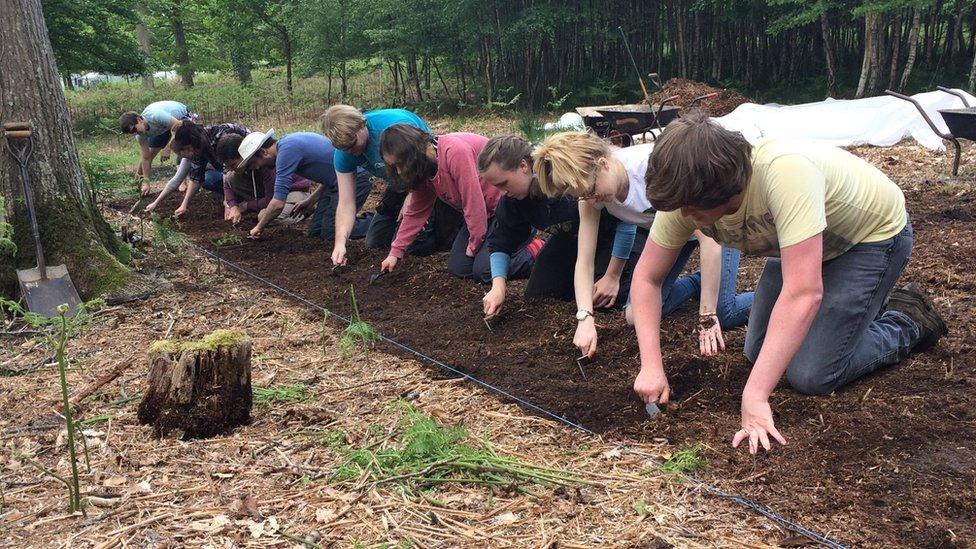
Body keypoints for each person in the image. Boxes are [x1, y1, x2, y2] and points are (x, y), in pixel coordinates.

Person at [633, 112, 947, 454]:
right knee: (757, 352)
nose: (682, 217)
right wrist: (650, 365)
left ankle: (907, 319)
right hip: (801, 248)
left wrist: (754, 396)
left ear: (721, 189)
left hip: (868, 238)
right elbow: (647, 278)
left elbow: (803, 292)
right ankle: (856, 307)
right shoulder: (686, 199)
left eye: (689, 208)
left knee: (811, 374)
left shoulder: (783, 174)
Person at [534, 131, 753, 360]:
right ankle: (699, 282)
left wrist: (707, 314)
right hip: (672, 236)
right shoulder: (592, 198)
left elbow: (708, 239)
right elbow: (584, 262)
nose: (590, 199)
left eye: (590, 191)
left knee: (725, 312)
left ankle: (776, 298)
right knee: (635, 315)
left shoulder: (651, 169)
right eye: (581, 196)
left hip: (716, 224)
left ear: (603, 164)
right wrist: (585, 317)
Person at [478, 134, 627, 319]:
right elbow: (501, 241)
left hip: (613, 237)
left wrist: (613, 275)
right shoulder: (513, 199)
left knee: (606, 299)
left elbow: (626, 219)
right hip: (569, 239)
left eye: (503, 183)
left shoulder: (565, 180)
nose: (502, 192)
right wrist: (498, 287)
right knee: (539, 297)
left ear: (523, 166)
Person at [377, 125, 534, 279]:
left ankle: (535, 249)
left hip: (507, 207)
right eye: (393, 166)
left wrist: (474, 244)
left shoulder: (454, 152)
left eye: (400, 164)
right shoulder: (424, 169)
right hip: (483, 215)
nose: (399, 171)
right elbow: (416, 211)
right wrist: (395, 252)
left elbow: (473, 202)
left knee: (484, 270)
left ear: (412, 154)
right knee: (460, 268)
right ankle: (499, 253)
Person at [322, 105, 457, 265]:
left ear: (361, 125)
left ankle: (451, 221)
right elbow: (346, 202)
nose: (350, 151)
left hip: (427, 178)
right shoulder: (344, 153)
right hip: (398, 181)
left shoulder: (394, 129)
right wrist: (340, 243)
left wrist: (411, 198)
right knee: (374, 243)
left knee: (416, 246)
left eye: (352, 144)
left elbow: (423, 166)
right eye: (344, 148)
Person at [230, 129, 372, 241]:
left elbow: (278, 203)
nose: (256, 168)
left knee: (331, 231)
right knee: (315, 232)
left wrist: (259, 227)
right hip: (336, 184)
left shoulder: (286, 152)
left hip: (356, 179)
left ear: (263, 152)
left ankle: (379, 223)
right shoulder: (287, 145)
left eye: (254, 163)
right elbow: (330, 174)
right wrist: (311, 200)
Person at [145, 122, 249, 217]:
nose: (190, 152)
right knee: (208, 180)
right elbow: (195, 179)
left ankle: (247, 199)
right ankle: (238, 197)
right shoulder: (198, 147)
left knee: (225, 178)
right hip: (233, 170)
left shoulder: (222, 135)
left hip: (248, 164)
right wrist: (184, 205)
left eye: (188, 149)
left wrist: (229, 204)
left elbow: (228, 171)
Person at [213, 134, 311, 226]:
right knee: (231, 177)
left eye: (233, 164)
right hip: (272, 194)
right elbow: (227, 182)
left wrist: (247, 206)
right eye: (228, 166)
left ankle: (305, 213)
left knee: (264, 217)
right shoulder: (247, 166)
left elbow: (272, 199)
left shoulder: (265, 164)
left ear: (244, 156)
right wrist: (233, 206)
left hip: (293, 192)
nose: (231, 168)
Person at [119, 101, 193, 196]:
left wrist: (168, 147)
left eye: (134, 129)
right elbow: (146, 158)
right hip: (163, 127)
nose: (135, 133)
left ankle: (182, 181)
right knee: (150, 153)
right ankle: (136, 183)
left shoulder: (156, 115)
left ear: (139, 120)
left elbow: (179, 127)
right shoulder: (140, 135)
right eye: (132, 133)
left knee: (181, 147)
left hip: (181, 118)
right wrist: (146, 182)